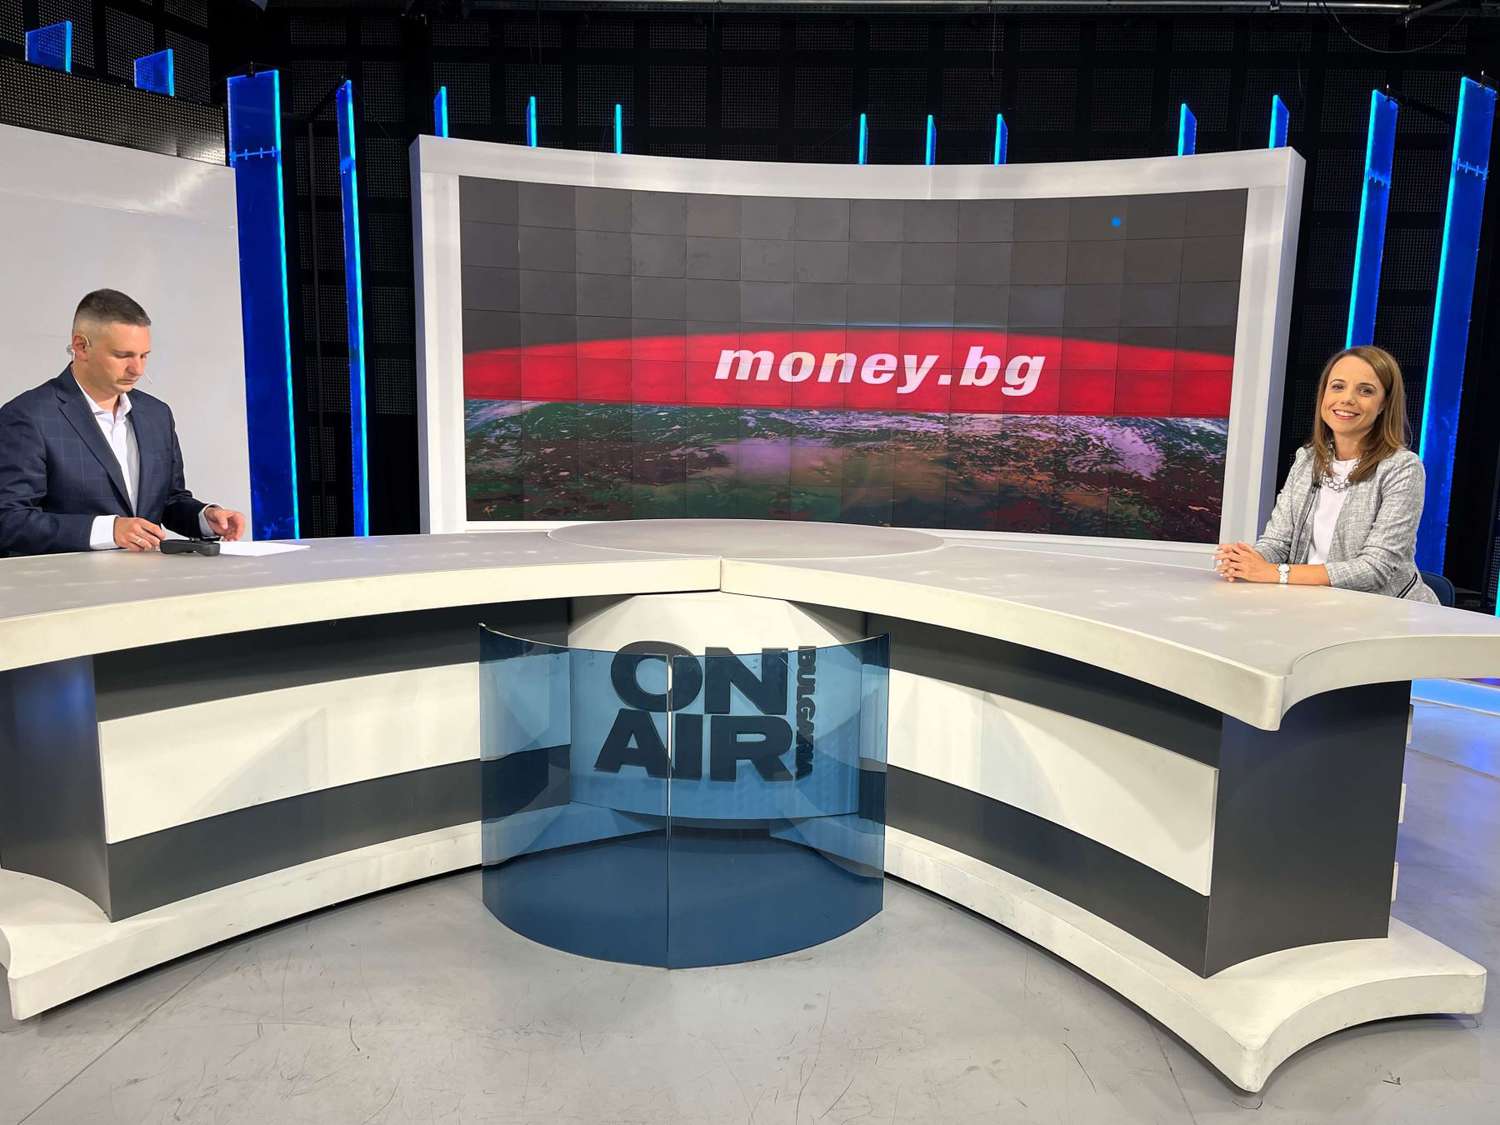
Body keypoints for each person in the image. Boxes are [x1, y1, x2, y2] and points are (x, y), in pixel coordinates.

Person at [0, 289, 247, 557]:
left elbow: (169, 500)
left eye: (144, 355)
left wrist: (204, 518)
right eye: (122, 355)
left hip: (149, 579)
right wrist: (110, 530)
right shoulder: (27, 416)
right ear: (81, 347)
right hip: (66, 581)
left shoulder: (157, 415)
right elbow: (9, 521)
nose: (137, 369)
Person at [1214, 345, 1438, 603]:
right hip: (1313, 604)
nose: (1347, 399)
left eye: (1365, 391)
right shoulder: (1307, 460)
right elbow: (1277, 542)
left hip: (1385, 610)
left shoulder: (1402, 468)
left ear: (1384, 404)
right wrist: (1246, 561)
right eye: (1338, 386)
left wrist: (1274, 573)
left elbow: (1374, 569)